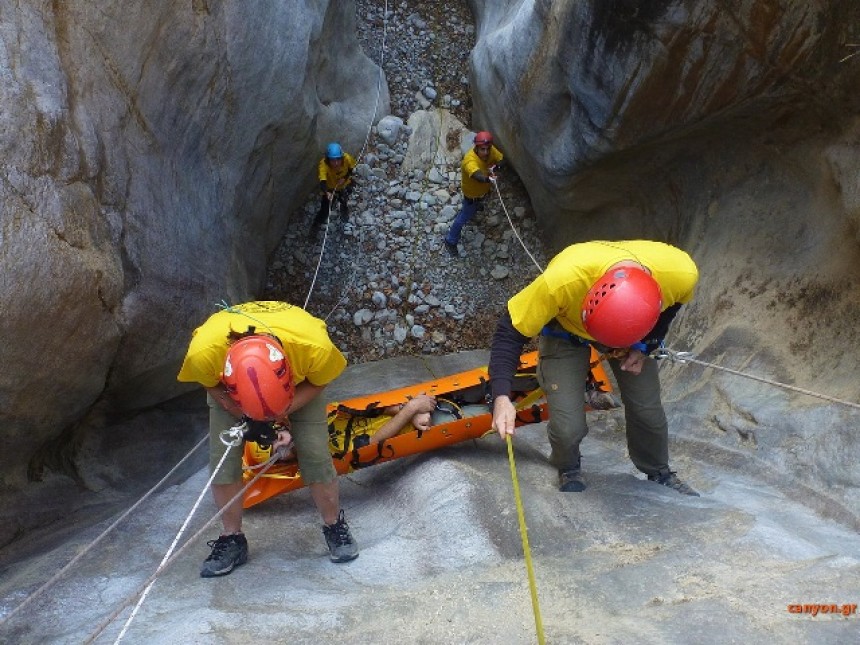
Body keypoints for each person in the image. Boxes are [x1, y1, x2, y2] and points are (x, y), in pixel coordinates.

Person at [489, 240, 700, 496]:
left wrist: (644, 346)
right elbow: (510, 333)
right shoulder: (560, 283)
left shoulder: (679, 274)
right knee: (568, 427)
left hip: (635, 331)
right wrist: (501, 396)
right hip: (566, 331)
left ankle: (658, 470)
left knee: (648, 410)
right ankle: (567, 466)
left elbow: (671, 307)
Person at [177, 301, 359, 577]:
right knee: (222, 460)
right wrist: (238, 411)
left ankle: (334, 525)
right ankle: (232, 538)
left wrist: (282, 411)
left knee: (314, 452)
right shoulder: (204, 353)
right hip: (231, 392)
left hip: (299, 383)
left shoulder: (313, 347)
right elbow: (210, 383)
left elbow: (320, 381)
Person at [443, 131, 504, 257]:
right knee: (463, 217)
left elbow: (501, 159)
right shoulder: (469, 160)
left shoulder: (490, 150)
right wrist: (488, 179)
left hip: (482, 191)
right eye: (483, 149)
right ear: (476, 147)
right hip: (471, 193)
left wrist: (497, 167)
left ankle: (476, 207)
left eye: (487, 149)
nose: (486, 152)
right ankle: (450, 240)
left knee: (477, 204)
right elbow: (477, 175)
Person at [316, 142, 357, 226]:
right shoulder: (323, 165)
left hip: (344, 185)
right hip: (330, 189)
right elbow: (322, 181)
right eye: (332, 160)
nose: (336, 163)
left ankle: (344, 209)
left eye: (338, 159)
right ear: (328, 159)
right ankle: (316, 224)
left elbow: (351, 169)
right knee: (325, 209)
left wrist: (345, 178)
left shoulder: (347, 158)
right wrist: (327, 192)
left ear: (341, 157)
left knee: (344, 199)